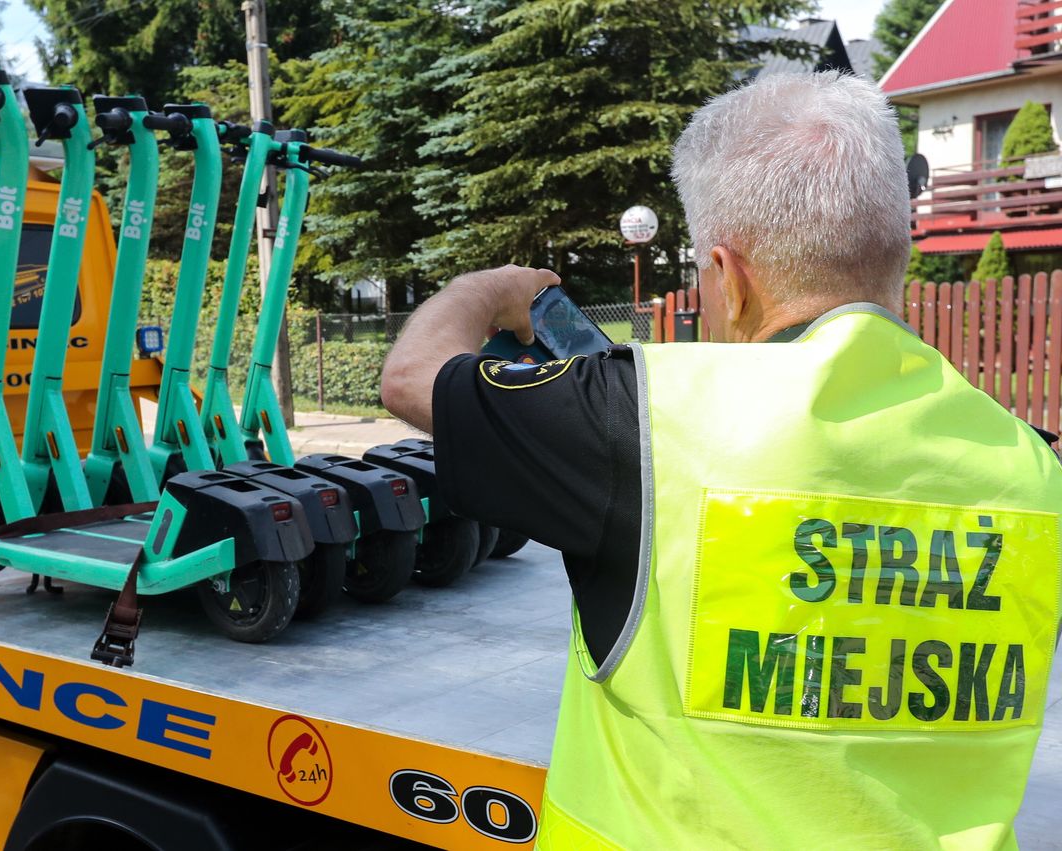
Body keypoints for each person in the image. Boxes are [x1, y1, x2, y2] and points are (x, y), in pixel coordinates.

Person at [380, 71, 1062, 850]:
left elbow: (410, 378)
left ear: (731, 279)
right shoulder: (1027, 462)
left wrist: (494, 287)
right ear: (896, 253)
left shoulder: (647, 416)